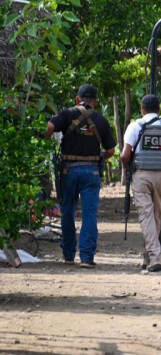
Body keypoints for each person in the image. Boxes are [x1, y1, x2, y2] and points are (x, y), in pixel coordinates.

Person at [45, 84, 116, 268]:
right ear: (95, 101)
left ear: (78, 99)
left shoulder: (67, 114)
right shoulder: (101, 120)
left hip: (68, 170)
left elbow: (50, 126)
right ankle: (86, 257)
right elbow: (111, 150)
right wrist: (99, 157)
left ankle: (68, 254)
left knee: (68, 211)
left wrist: (45, 139)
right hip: (91, 171)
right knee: (90, 214)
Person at [120, 94, 161, 273]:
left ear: (142, 110)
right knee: (156, 216)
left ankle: (155, 258)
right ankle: (148, 257)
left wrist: (126, 169)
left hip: (141, 175)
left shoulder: (135, 126)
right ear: (158, 110)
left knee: (146, 216)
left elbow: (125, 155)